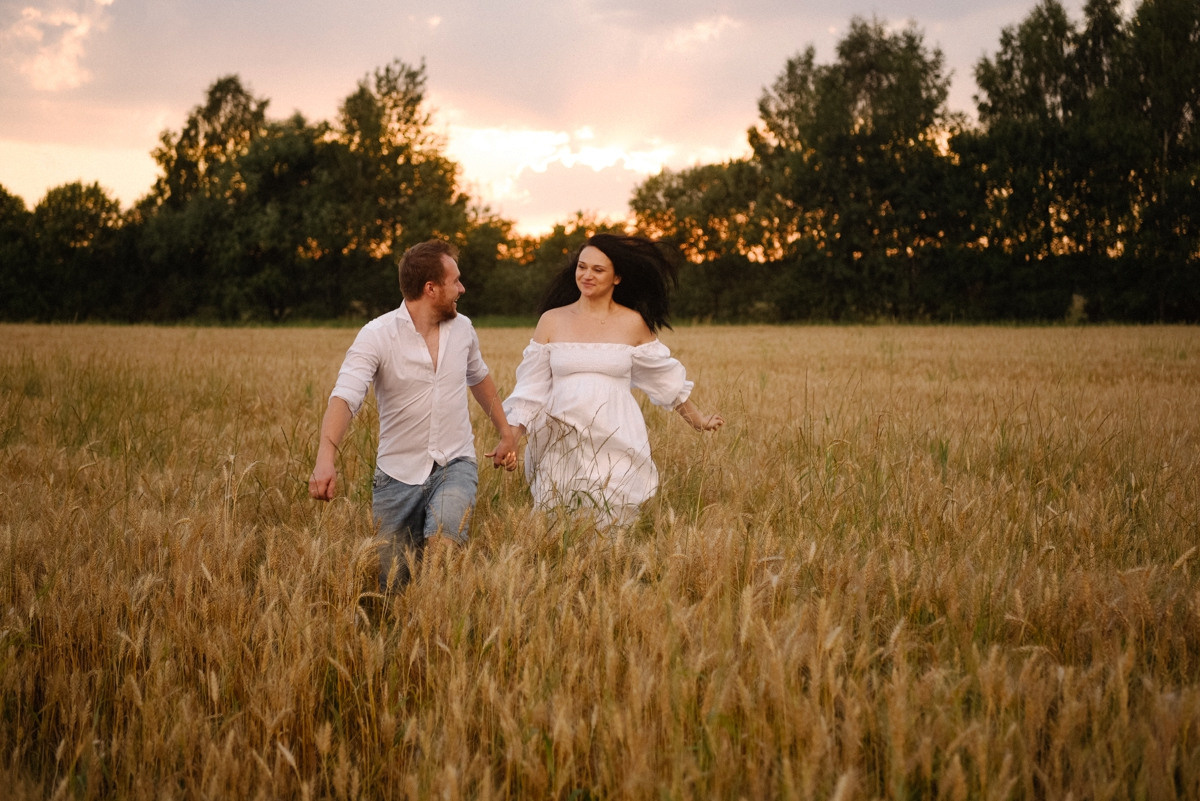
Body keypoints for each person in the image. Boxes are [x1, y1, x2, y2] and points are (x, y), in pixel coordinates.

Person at [309, 239, 518, 590]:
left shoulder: (463, 328)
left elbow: (478, 376)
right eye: (456, 281)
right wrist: (325, 457)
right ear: (431, 288)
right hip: (397, 476)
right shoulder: (376, 335)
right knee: (392, 585)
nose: (462, 289)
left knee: (442, 553)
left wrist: (506, 431)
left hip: (455, 463)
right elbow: (345, 396)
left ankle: (437, 625)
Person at [502, 233, 724, 529]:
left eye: (598, 269)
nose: (586, 275)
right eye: (582, 267)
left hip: (616, 434)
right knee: (560, 520)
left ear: (617, 277)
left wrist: (697, 420)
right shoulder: (552, 320)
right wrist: (512, 439)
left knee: (616, 518)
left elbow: (664, 379)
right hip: (561, 437)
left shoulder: (632, 322)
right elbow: (530, 389)